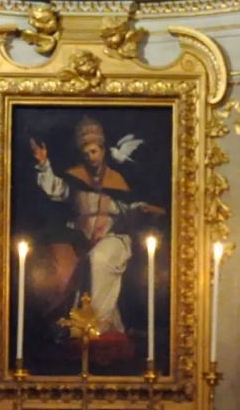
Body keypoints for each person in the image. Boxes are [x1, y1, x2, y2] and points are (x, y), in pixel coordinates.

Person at [30, 115, 164, 336]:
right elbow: (55, 188)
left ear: (103, 151)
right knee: (72, 272)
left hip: (114, 239)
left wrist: (144, 209)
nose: (90, 157)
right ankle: (99, 329)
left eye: (94, 151)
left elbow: (128, 208)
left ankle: (92, 328)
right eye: (86, 153)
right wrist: (44, 164)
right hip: (81, 240)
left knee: (99, 259)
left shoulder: (117, 180)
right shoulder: (76, 179)